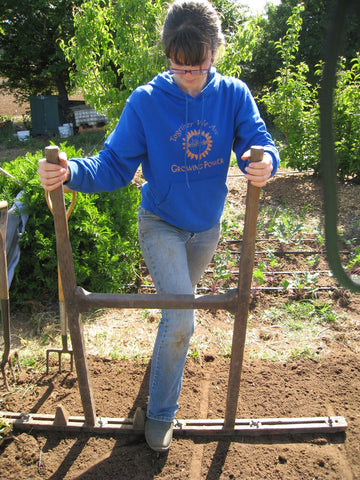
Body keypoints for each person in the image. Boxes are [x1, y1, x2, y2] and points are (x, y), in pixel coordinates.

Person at [38, 0, 280, 452]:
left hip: (205, 229)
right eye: (179, 65)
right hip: (161, 223)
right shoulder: (147, 102)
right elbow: (112, 165)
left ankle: (161, 363)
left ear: (214, 53)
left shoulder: (233, 95)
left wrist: (264, 162)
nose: (189, 74)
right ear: (168, 55)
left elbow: (259, 142)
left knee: (175, 316)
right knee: (183, 319)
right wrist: (69, 172)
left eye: (199, 64)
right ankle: (161, 413)